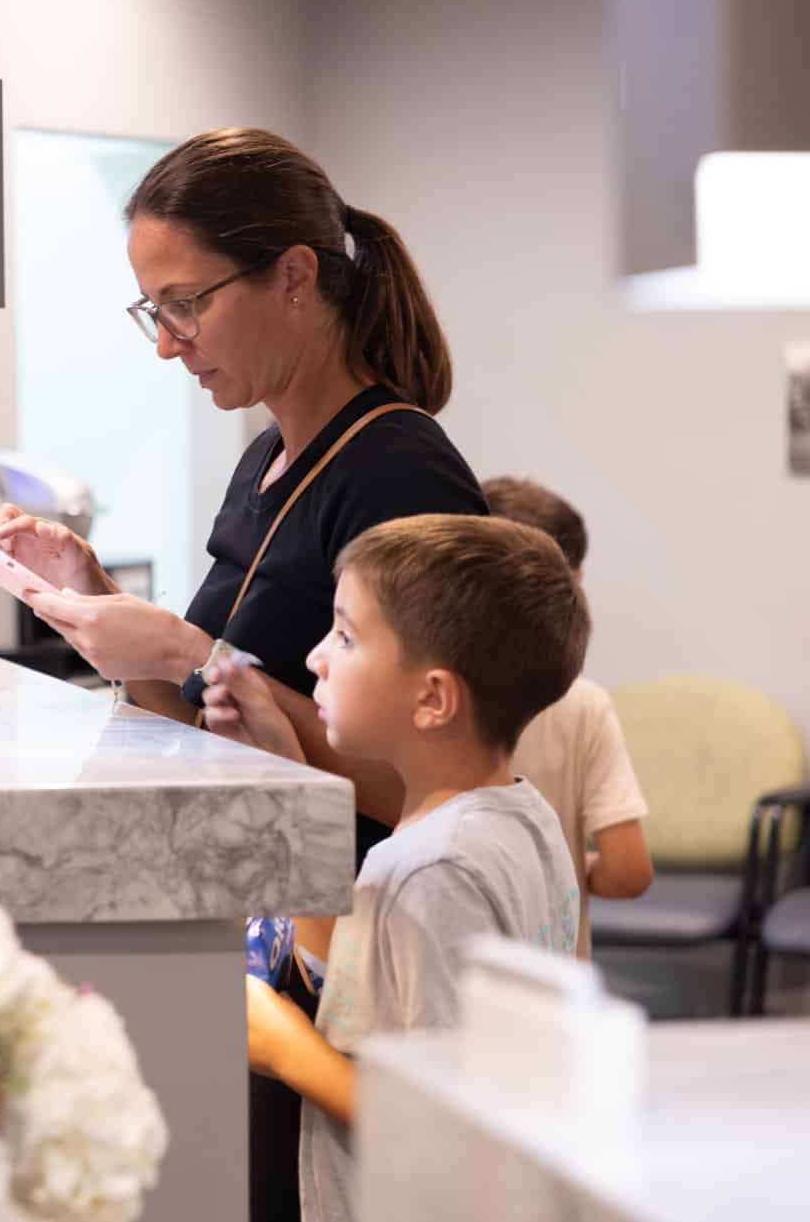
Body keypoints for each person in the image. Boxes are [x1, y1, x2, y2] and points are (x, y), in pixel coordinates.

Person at [0, 126, 485, 1222]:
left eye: (187, 305)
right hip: (267, 925)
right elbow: (208, 720)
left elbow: (435, 784)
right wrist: (107, 614)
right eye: (152, 312)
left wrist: (190, 653)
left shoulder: (399, 471)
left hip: (359, 962)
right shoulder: (265, 456)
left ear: (294, 277)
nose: (168, 345)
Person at [203, 514, 585, 1222]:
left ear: (433, 698)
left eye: (345, 637)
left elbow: (445, 1125)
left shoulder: (429, 869)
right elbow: (361, 988)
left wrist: (286, 1048)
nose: (316, 656)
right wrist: (285, 765)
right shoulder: (520, 818)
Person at [484, 476, 653, 954]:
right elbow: (628, 871)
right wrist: (572, 869)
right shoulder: (583, 705)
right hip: (551, 978)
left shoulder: (425, 699)